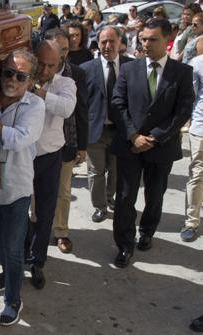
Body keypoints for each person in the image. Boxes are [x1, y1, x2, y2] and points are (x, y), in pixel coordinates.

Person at [111, 18, 194, 268]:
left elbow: (182, 111)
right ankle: (124, 245)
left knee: (155, 195)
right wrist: (134, 135)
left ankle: (146, 232)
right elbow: (117, 103)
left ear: (168, 40)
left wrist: (155, 137)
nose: (145, 44)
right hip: (130, 145)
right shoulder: (128, 69)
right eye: (143, 39)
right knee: (125, 197)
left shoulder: (181, 72)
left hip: (161, 147)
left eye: (152, 39)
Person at [0, 49, 45, 326]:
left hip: (15, 190)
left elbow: (19, 138)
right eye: (8, 72)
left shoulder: (35, 105)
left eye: (20, 76)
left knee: (11, 248)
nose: (12, 79)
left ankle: (13, 300)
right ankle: (9, 276)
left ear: (30, 80)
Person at [25, 41, 76, 289]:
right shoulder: (21, 77)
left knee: (45, 213)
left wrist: (39, 92)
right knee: (16, 211)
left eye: (51, 66)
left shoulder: (65, 84)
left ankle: (37, 262)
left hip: (49, 157)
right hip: (21, 157)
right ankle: (20, 256)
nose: (44, 70)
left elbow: (66, 108)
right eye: (41, 64)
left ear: (59, 64)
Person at [81, 26, 133, 224]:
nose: (107, 46)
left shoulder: (131, 66)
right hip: (96, 130)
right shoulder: (87, 69)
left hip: (121, 131)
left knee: (116, 170)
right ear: (97, 44)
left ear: (120, 43)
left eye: (112, 41)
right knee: (96, 171)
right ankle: (99, 206)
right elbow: (82, 103)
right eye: (103, 42)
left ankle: (111, 197)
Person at [45, 28, 89, 254]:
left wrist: (82, 145)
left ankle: (61, 231)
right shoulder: (37, 72)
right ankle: (37, 226)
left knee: (63, 190)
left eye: (64, 49)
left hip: (67, 142)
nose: (60, 54)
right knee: (36, 190)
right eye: (56, 49)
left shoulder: (76, 75)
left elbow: (82, 111)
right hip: (39, 145)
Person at [180, 39, 203, 242]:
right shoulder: (197, 63)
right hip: (200, 128)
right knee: (197, 174)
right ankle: (191, 222)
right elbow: (190, 96)